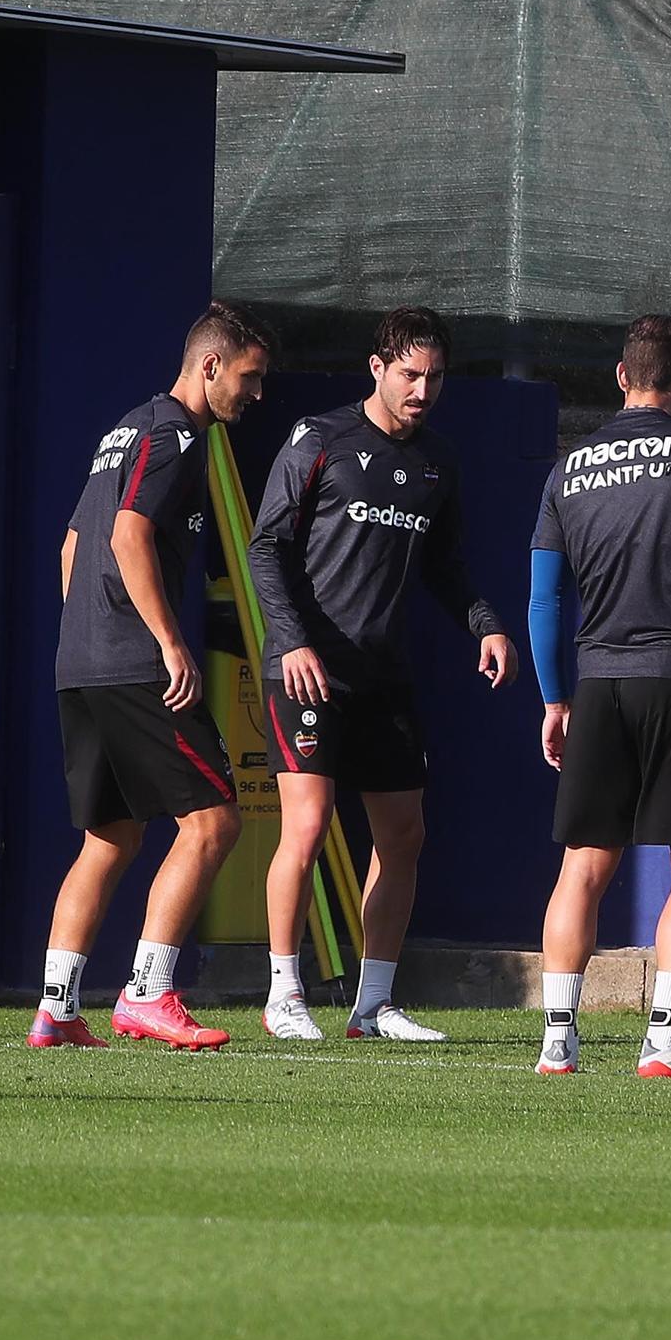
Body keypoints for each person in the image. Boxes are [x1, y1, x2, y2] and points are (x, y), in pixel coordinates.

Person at [249, 306, 517, 1043]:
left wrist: (487, 622)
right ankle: (284, 993)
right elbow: (264, 548)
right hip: (303, 672)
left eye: (433, 376)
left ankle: (372, 1005)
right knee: (305, 826)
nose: (421, 389)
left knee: (404, 834)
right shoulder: (319, 439)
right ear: (377, 368)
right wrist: (294, 642)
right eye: (408, 374)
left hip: (383, 677)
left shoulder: (438, 463)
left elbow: (445, 568)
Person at [526, 314, 671, 1078]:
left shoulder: (568, 470)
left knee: (582, 866)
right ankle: (663, 1038)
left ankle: (557, 1039)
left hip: (598, 682)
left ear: (621, 375)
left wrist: (555, 697)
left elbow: (543, 600)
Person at [34, 301, 273, 1050]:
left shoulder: (122, 431)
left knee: (109, 839)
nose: (255, 394)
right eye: (250, 377)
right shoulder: (173, 435)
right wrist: (167, 641)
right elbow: (127, 535)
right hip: (137, 664)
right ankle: (147, 991)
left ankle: (57, 1007)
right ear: (210, 366)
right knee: (214, 820)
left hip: (83, 663)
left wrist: (90, 635)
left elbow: (73, 546)